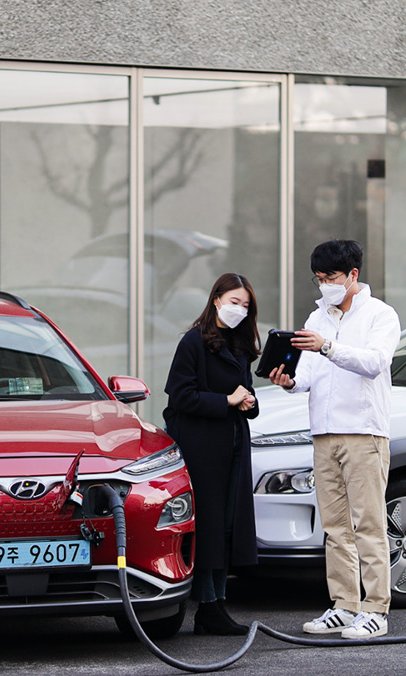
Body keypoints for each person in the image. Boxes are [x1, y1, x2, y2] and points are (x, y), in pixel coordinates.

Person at [268, 239, 400, 639]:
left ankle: (376, 608)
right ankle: (344, 604)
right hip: (323, 434)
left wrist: (327, 346)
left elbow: (375, 363)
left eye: (331, 277)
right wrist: (288, 381)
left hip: (364, 433)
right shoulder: (317, 316)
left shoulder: (381, 315)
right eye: (319, 278)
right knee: (335, 526)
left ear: (353, 275)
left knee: (369, 523)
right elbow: (307, 375)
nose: (324, 284)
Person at [163, 272, 261, 635]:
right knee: (209, 525)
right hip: (202, 446)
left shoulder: (238, 344)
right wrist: (227, 401)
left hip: (232, 444)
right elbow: (180, 397)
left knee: (228, 525)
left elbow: (244, 393)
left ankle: (217, 603)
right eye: (234, 301)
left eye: (246, 305)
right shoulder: (193, 342)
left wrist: (248, 403)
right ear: (217, 299)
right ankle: (207, 604)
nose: (240, 309)